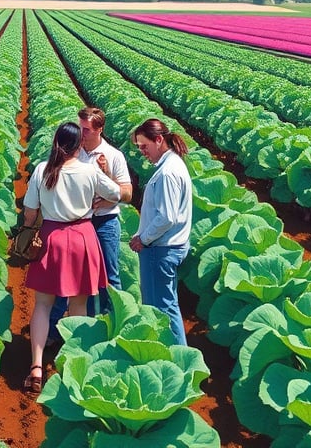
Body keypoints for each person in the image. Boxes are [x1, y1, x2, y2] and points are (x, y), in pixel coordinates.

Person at [21, 122, 122, 392]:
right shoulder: (89, 171)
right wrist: (102, 183)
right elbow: (117, 194)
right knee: (78, 305)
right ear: (79, 146)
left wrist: (31, 225)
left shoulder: (43, 170)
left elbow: (30, 210)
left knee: (43, 305)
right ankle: (75, 363)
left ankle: (37, 366)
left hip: (51, 237)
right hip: (82, 238)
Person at [48, 107, 132, 344]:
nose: (81, 133)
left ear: (99, 129)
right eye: (80, 127)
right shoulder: (72, 151)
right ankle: (56, 330)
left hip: (104, 222)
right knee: (66, 278)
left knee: (109, 276)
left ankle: (111, 328)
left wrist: (106, 194)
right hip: (75, 224)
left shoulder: (113, 156)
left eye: (86, 129)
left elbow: (127, 193)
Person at [128, 119, 192, 346]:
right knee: (167, 304)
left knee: (161, 308)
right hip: (168, 247)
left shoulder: (168, 173)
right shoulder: (173, 164)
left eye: (144, 146)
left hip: (161, 250)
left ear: (159, 140)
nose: (142, 152)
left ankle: (176, 355)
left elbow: (167, 217)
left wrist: (142, 239)